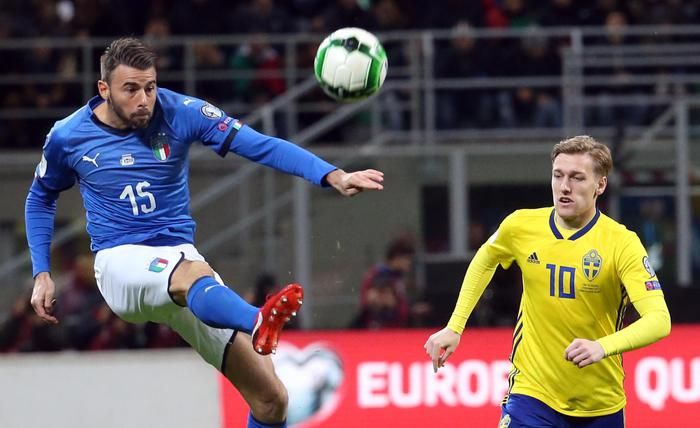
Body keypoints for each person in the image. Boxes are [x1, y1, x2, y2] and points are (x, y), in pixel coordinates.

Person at [25, 37, 384, 428]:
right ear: (104, 89)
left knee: (272, 399)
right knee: (193, 274)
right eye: (131, 89)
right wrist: (42, 272)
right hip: (119, 263)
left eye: (150, 87)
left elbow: (260, 145)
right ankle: (257, 320)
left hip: (181, 264)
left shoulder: (182, 112)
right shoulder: (68, 136)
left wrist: (332, 174)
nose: (144, 100)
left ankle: (255, 324)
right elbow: (40, 197)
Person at [424, 136, 671, 427]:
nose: (564, 187)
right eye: (558, 175)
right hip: (532, 395)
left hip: (600, 403)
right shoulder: (521, 226)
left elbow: (659, 320)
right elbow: (485, 260)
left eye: (577, 177)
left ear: (600, 185)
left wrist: (603, 346)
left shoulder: (622, 244)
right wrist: (455, 326)